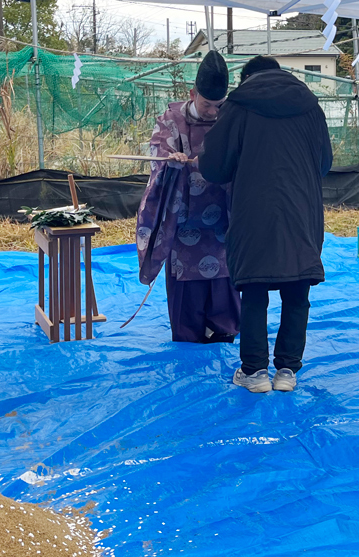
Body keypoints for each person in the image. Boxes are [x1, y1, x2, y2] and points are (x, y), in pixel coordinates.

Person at [198, 55, 333, 392]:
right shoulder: (310, 106)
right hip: (302, 210)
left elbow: (214, 167)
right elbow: (325, 163)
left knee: (255, 289)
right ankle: (287, 371)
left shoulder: (239, 106)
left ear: (246, 79)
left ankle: (255, 372)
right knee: (297, 289)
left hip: (254, 211)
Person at [135, 51, 240, 344]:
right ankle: (189, 332)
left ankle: (223, 329)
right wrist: (171, 159)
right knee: (186, 278)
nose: (213, 112)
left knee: (224, 272)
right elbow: (158, 153)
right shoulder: (171, 118)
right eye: (207, 104)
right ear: (192, 94)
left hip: (222, 212)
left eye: (219, 105)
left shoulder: (230, 117)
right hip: (183, 216)